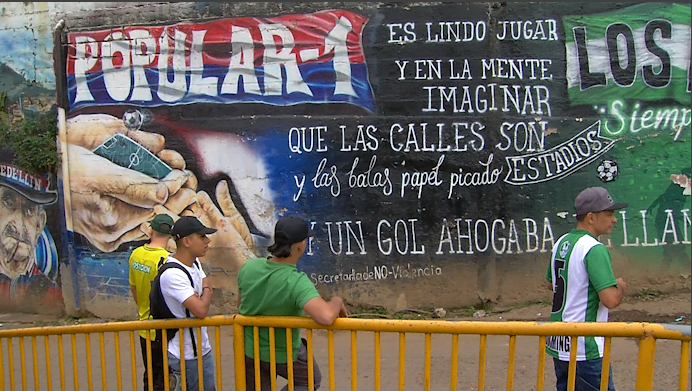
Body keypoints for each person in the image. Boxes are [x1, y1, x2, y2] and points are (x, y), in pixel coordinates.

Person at [237, 215, 349, 391]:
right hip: (284, 353)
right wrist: (337, 301)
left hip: (250, 351)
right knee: (309, 380)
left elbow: (241, 305)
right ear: (301, 245)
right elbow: (326, 316)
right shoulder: (295, 281)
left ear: (275, 239)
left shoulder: (248, 268)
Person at [546, 187, 628, 391]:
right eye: (609, 214)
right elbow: (610, 300)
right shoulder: (594, 248)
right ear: (591, 218)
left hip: (559, 344)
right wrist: (620, 287)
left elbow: (551, 283)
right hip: (585, 347)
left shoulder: (561, 242)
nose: (614, 220)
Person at [162, 216, 217, 391]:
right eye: (202, 236)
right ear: (186, 241)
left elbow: (204, 283)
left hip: (202, 350)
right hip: (183, 356)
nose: (207, 240)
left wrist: (203, 292)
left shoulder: (195, 262)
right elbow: (200, 309)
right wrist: (207, 290)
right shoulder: (173, 274)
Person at [128, 214, 174, 391]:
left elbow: (133, 288)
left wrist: (143, 309)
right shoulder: (167, 261)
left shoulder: (136, 254)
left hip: (144, 326)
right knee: (166, 379)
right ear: (170, 235)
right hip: (163, 331)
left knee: (150, 375)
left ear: (150, 229)